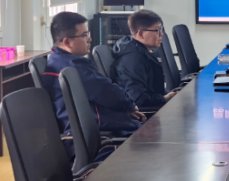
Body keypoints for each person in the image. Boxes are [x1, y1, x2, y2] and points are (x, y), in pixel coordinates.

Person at [42, 12, 146, 159]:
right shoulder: (74, 65)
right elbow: (109, 93)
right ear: (67, 42)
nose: (89, 39)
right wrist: (130, 106)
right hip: (98, 141)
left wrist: (125, 112)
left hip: (81, 137)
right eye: (84, 35)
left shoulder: (55, 60)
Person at [111, 9, 176, 109]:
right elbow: (138, 98)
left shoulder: (139, 50)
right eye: (157, 31)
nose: (161, 34)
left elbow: (151, 89)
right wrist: (164, 98)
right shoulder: (133, 59)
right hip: (149, 114)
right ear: (141, 33)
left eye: (161, 30)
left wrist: (169, 94)